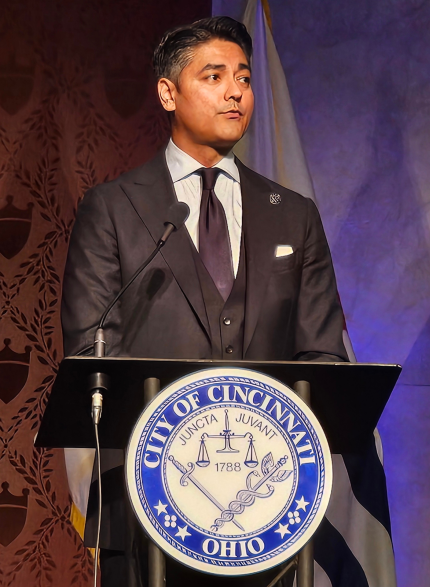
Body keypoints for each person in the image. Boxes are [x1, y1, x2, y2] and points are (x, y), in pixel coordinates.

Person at [61, 16, 347, 586]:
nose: (235, 91)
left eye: (242, 77)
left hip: (269, 519)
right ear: (168, 93)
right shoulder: (113, 209)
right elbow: (95, 354)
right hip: (147, 509)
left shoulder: (293, 214)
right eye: (213, 76)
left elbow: (323, 358)